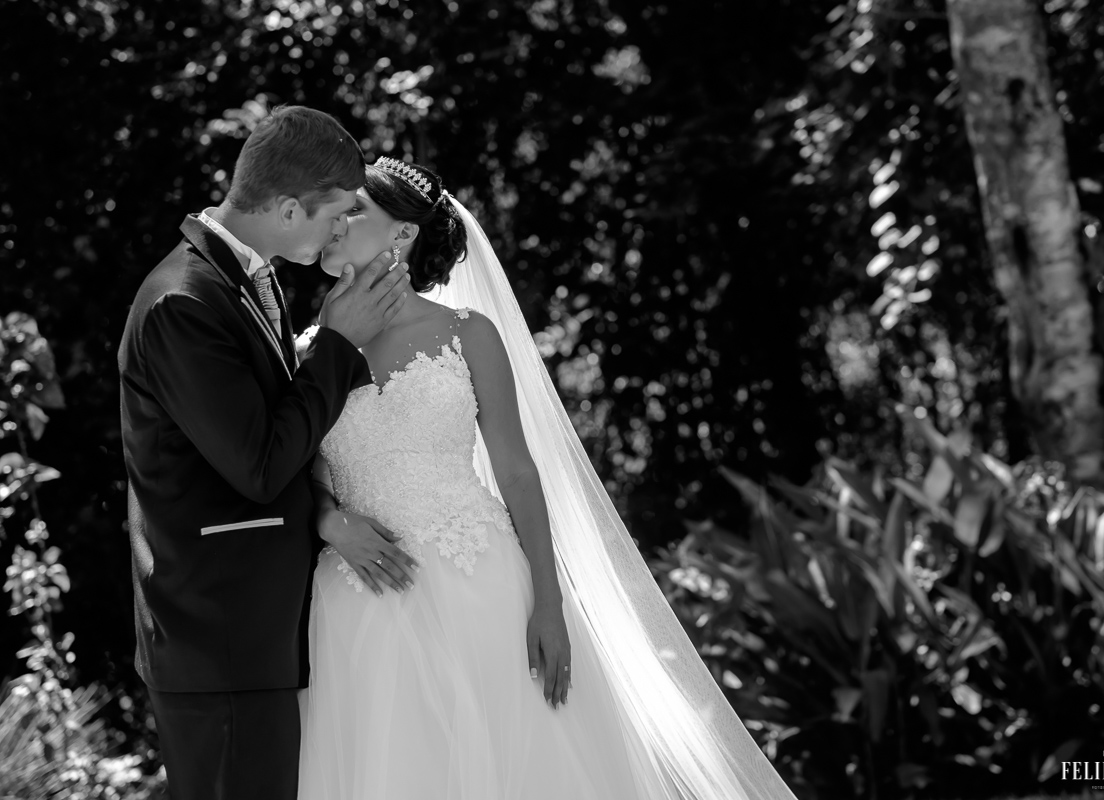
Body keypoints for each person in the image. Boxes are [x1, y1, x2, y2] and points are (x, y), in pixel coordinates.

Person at [299, 157, 798, 799]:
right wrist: (329, 519)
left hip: (478, 586)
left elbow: (515, 469)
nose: (335, 223)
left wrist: (550, 603)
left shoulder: (465, 333)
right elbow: (301, 467)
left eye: (354, 211)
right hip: (357, 597)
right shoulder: (305, 350)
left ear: (402, 234)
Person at [117, 106, 419, 800]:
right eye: (337, 213)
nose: (343, 229)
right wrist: (338, 343)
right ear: (288, 208)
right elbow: (258, 465)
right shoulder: (182, 303)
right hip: (218, 635)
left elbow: (282, 430)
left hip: (257, 633)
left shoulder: (251, 276)